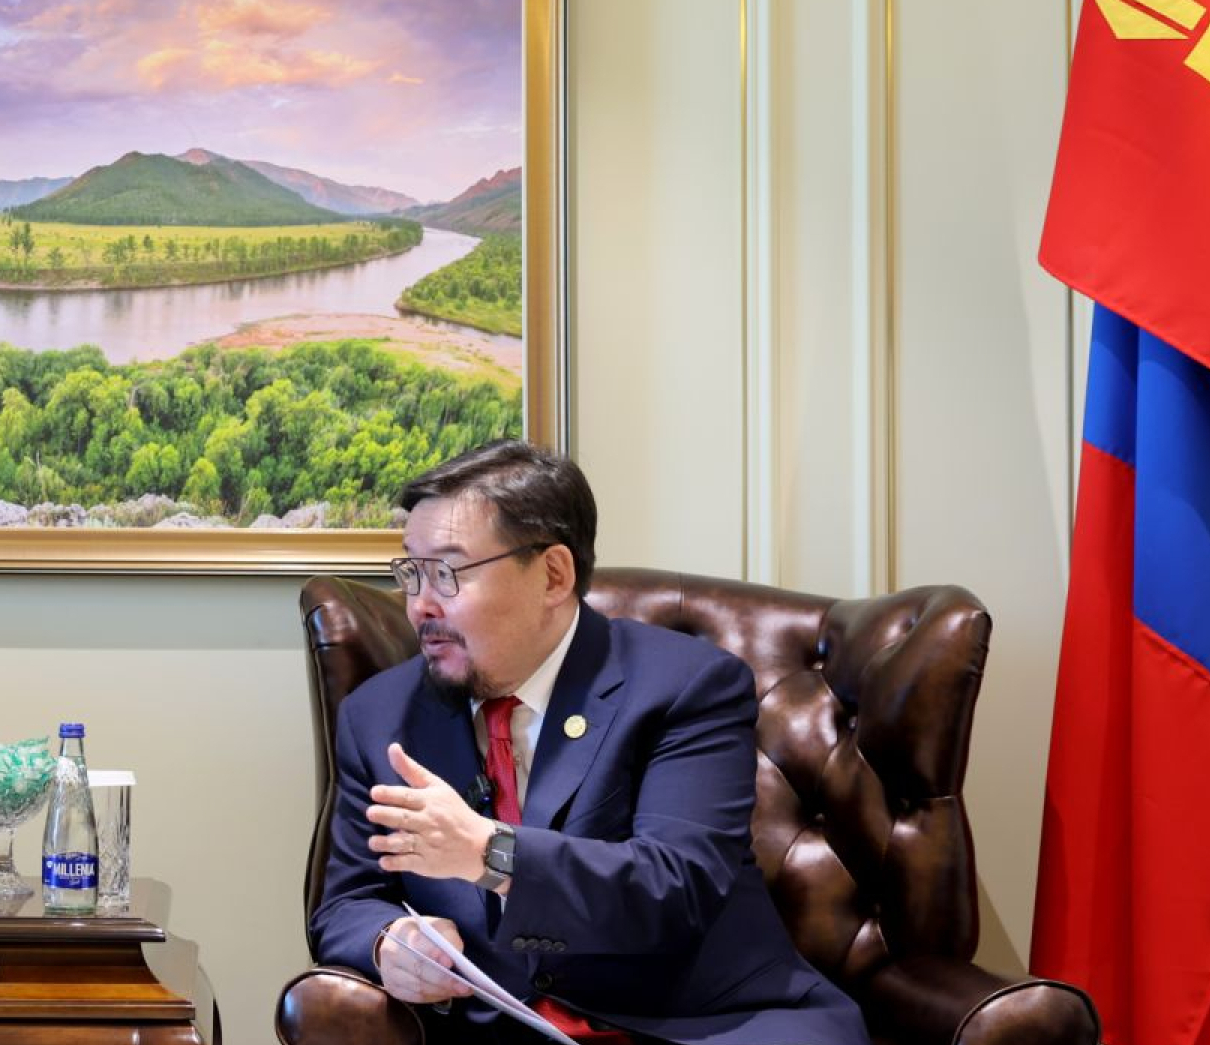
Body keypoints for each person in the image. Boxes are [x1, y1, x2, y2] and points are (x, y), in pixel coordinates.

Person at [311, 439, 866, 1044]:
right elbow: (346, 903)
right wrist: (390, 942)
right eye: (411, 572)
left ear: (553, 575)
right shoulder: (380, 715)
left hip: (698, 1025)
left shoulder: (685, 686)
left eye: (447, 573)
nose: (419, 605)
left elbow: (675, 886)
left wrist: (489, 852)